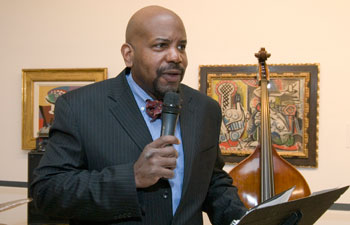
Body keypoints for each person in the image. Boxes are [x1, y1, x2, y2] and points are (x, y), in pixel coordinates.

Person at [30, 5, 247, 225]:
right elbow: (47, 192)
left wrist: (243, 219)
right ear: (129, 55)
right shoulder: (79, 107)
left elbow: (212, 181)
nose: (176, 56)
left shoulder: (205, 109)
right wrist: (132, 177)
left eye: (181, 46)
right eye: (161, 45)